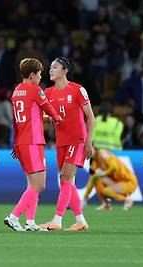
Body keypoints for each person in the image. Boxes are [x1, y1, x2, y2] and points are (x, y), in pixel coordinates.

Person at [3, 58, 62, 232]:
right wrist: (57, 118)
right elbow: (48, 107)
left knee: (31, 184)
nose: (41, 76)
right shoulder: (35, 90)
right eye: (39, 73)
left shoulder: (16, 92)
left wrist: (15, 142)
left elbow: (19, 120)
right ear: (31, 75)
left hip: (22, 141)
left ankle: (30, 222)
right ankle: (13, 217)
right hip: (33, 141)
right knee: (39, 185)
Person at [39, 57, 94, 231]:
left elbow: (90, 117)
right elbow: (43, 116)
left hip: (77, 139)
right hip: (61, 141)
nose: (51, 70)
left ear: (65, 71)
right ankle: (80, 221)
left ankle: (57, 220)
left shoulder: (78, 90)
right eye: (50, 67)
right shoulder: (48, 92)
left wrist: (89, 142)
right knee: (67, 181)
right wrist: (48, 118)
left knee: (65, 177)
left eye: (55, 67)